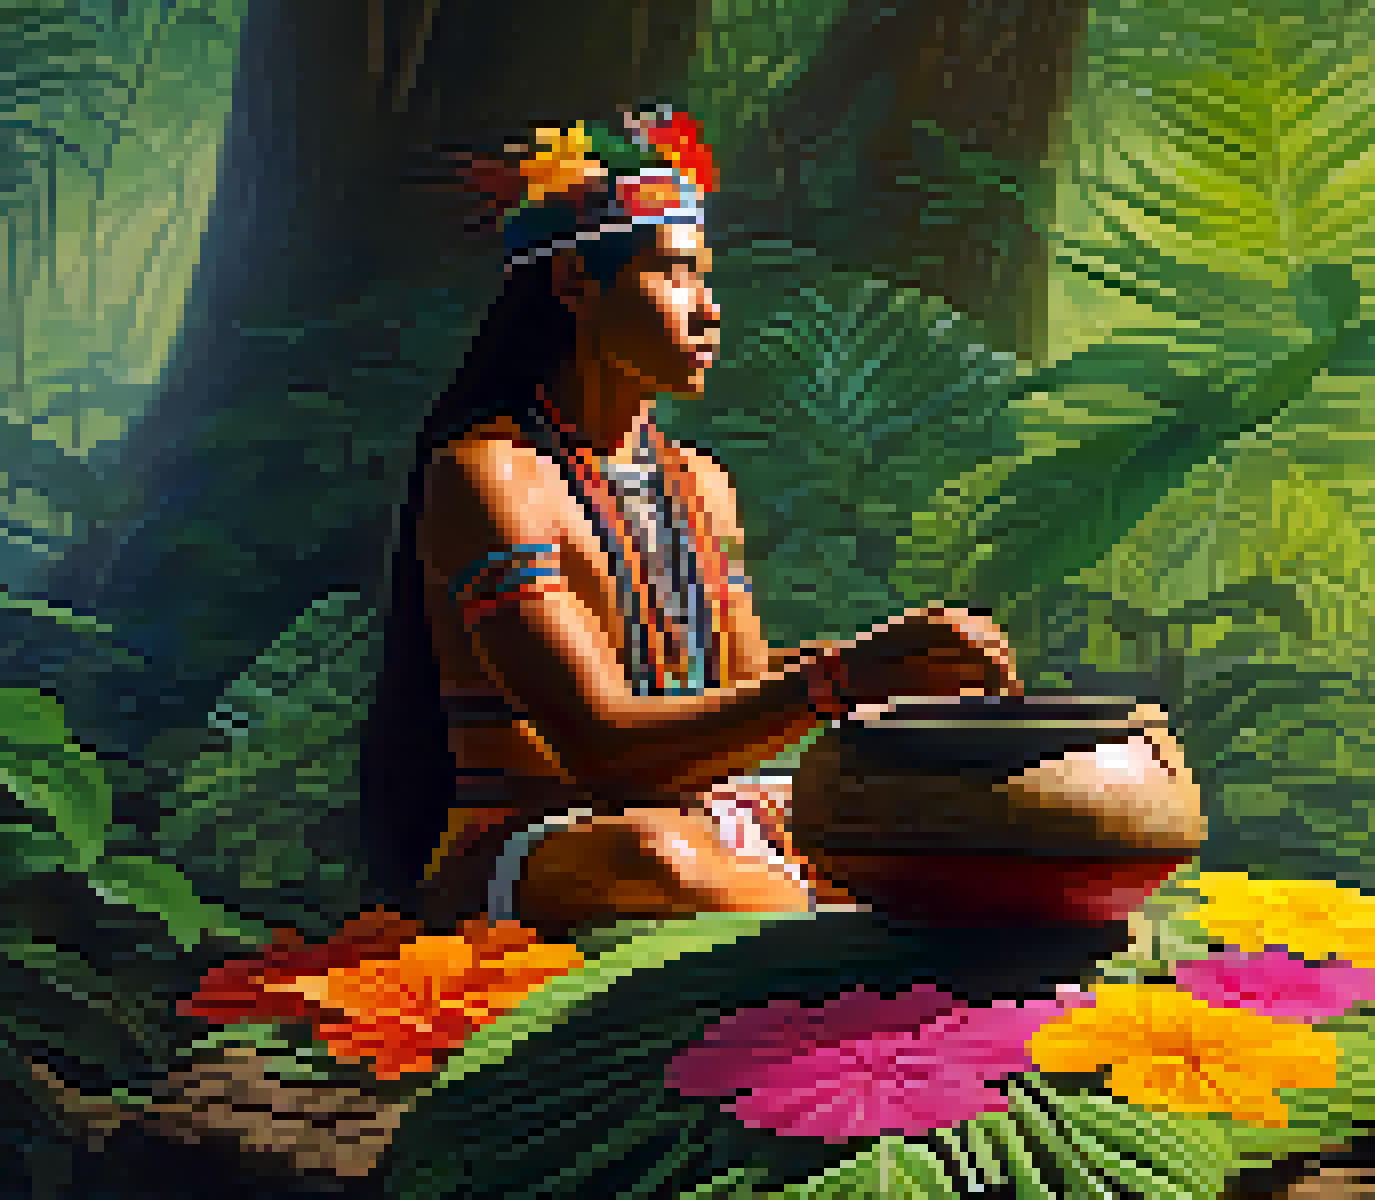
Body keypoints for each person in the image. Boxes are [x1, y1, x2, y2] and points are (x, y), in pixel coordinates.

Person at [357, 104, 1022, 937]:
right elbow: (603, 752)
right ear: (572, 286)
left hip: (711, 813)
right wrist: (845, 678)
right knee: (656, 859)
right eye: (675, 275)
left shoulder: (701, 483)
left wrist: (905, 667)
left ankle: (863, 910)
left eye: (708, 279)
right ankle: (877, 930)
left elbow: (740, 690)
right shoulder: (491, 474)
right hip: (544, 841)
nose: (708, 310)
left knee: (939, 810)